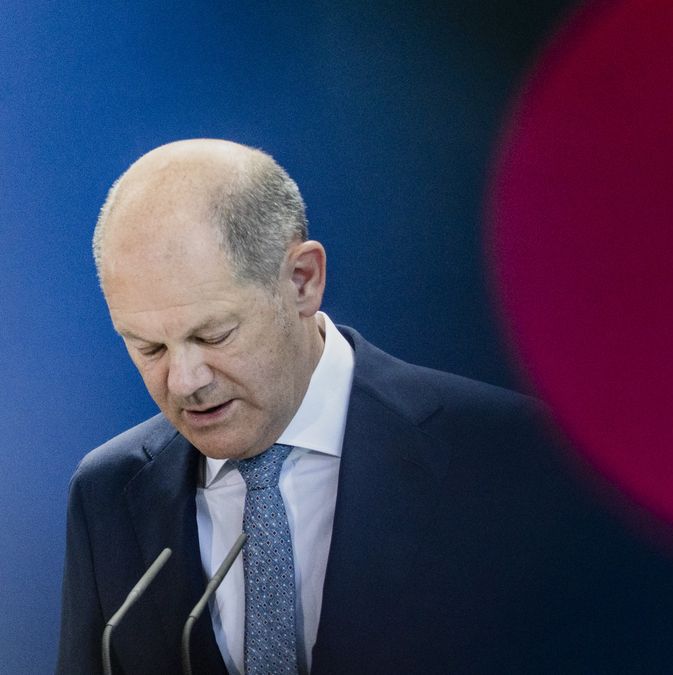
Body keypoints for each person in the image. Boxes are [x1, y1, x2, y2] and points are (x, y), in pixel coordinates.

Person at [57, 139, 606, 673]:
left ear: (302, 281)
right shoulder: (108, 492)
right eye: (148, 347)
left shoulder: (512, 457)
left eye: (215, 335)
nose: (183, 381)